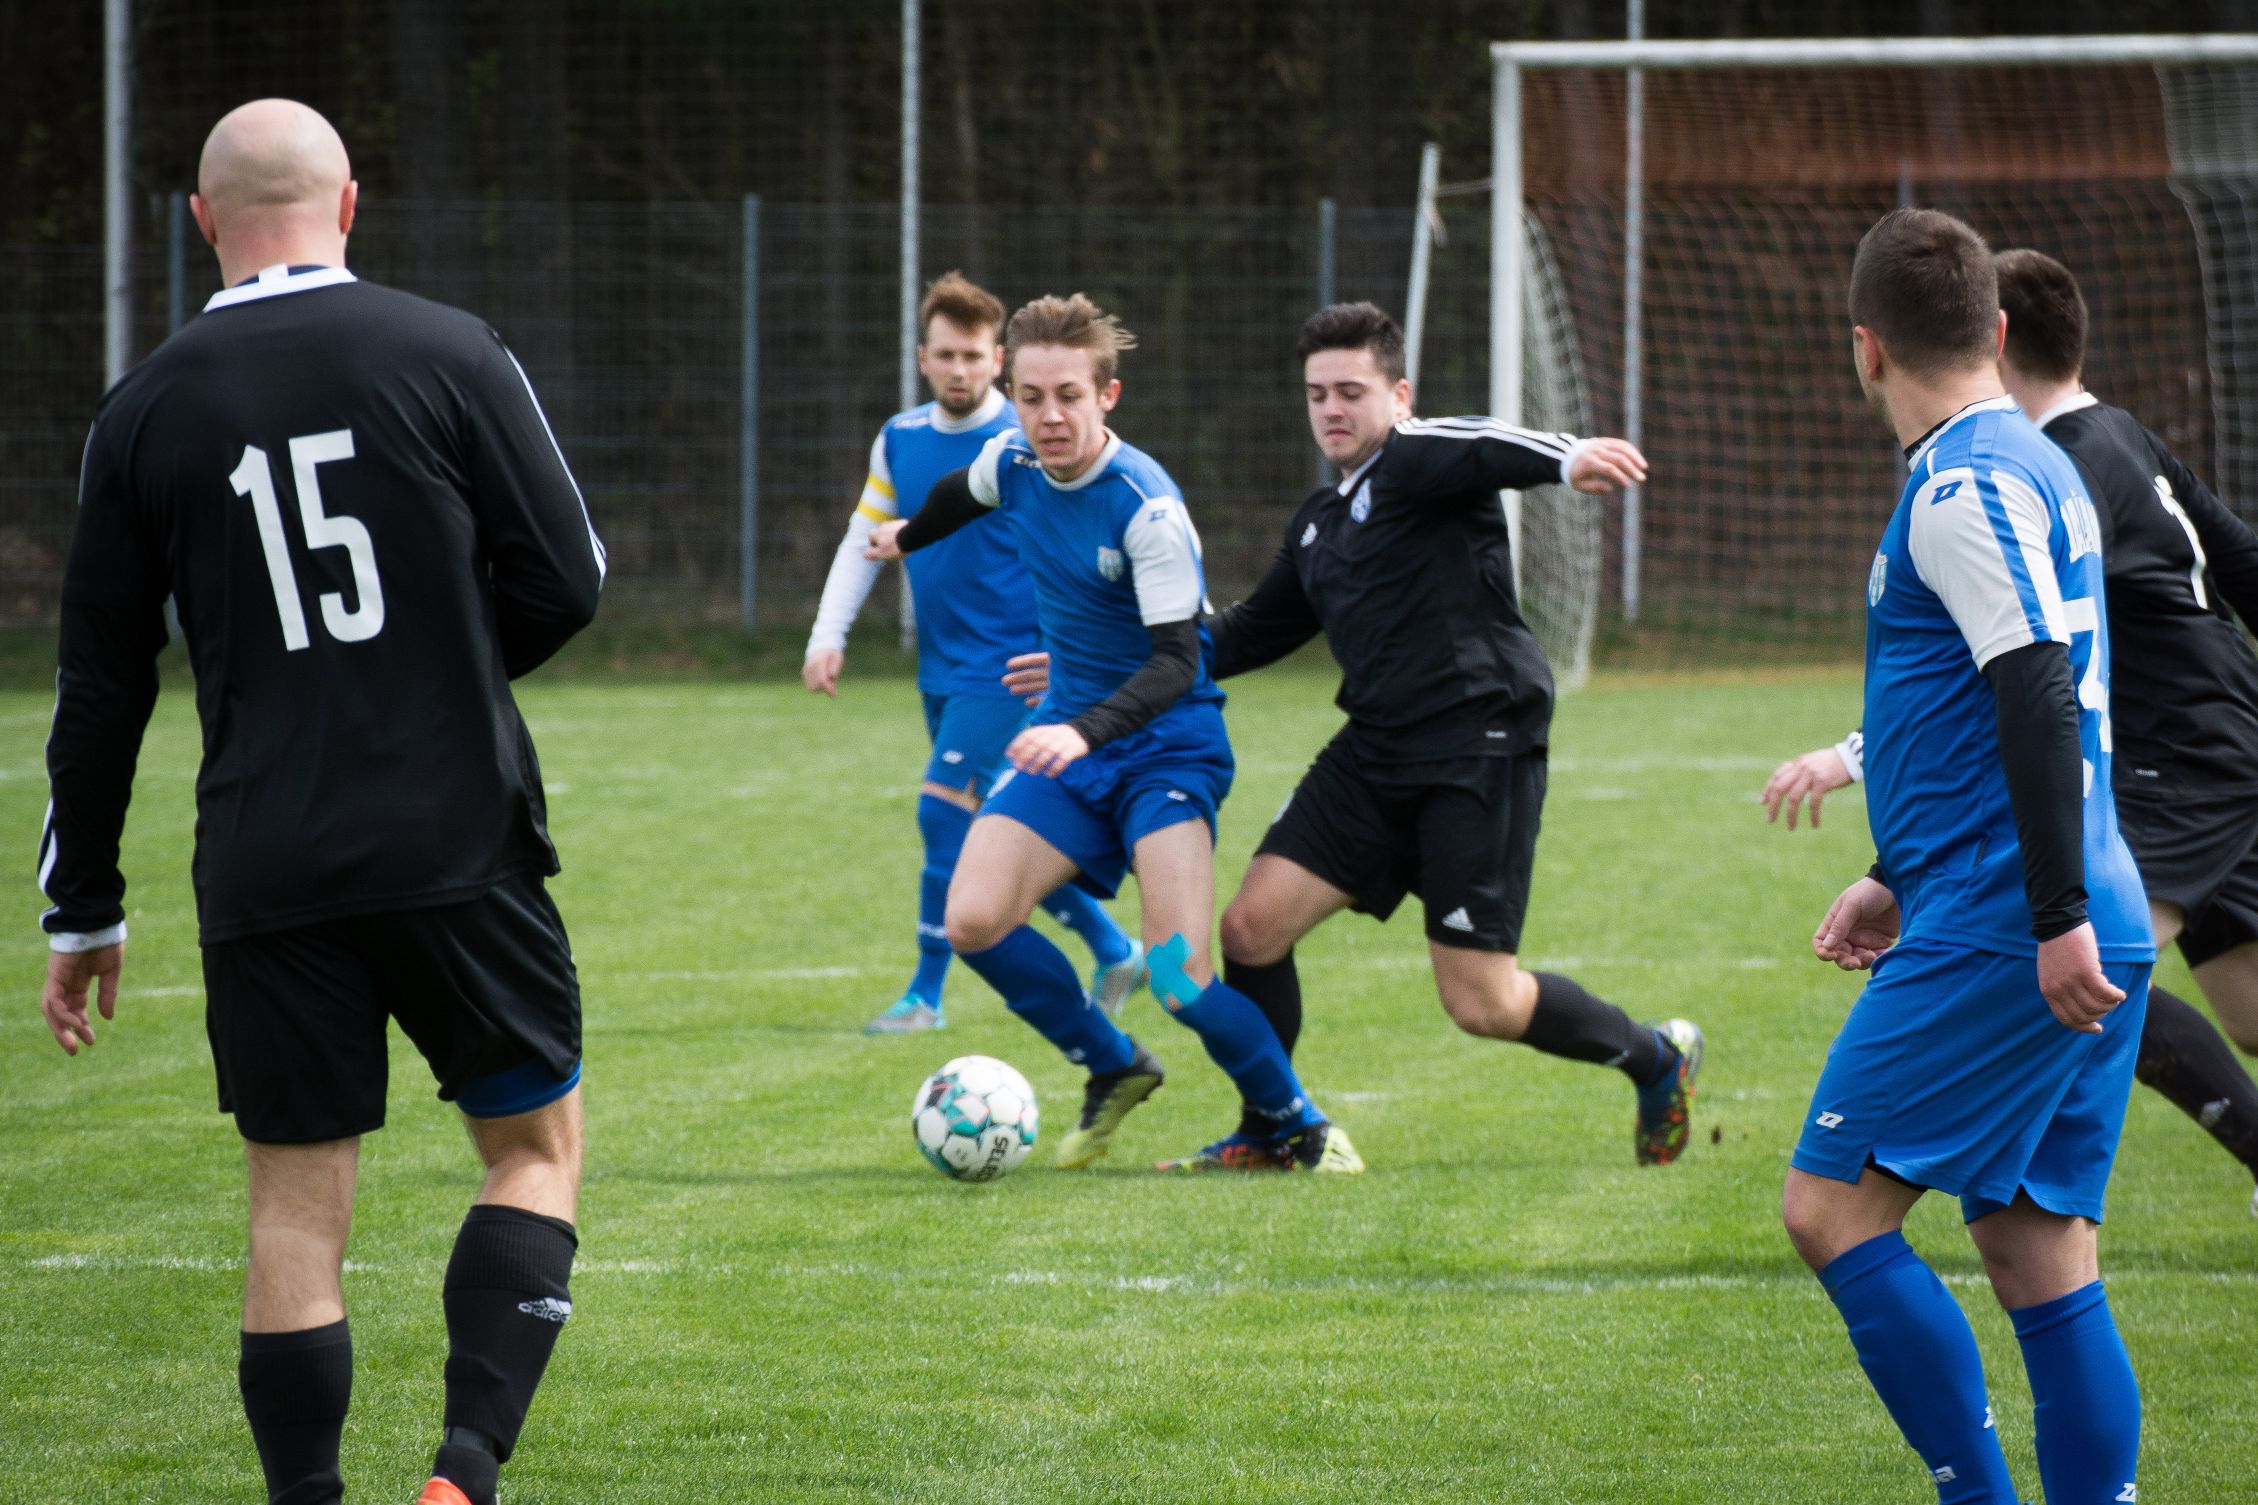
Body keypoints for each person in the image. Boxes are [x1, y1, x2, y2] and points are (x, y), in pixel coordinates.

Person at [37, 100, 604, 1505]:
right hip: (454, 834)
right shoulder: (448, 350)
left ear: (199, 222)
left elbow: (99, 689)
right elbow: (570, 574)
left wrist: (82, 906)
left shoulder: (144, 409)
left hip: (266, 855)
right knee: (532, 1150)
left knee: (295, 1208)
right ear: (349, 204)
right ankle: (461, 1476)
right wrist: (447, 671)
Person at [1006, 303, 1695, 1172]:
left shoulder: (1414, 460)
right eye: (1316, 394)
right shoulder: (1319, 524)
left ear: (1396, 395)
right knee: (1251, 928)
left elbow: (1476, 442)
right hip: (1375, 752)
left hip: (1477, 747)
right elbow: (1249, 630)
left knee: (1480, 1000)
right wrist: (1104, 665)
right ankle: (1273, 1128)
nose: (1331, 408)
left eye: (1351, 392)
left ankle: (1654, 1055)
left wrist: (1566, 456)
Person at [1764, 246, 2258, 1218]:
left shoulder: (2039, 468)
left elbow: (2025, 670)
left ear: (1995, 343)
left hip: (2169, 758)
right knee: (2241, 1011)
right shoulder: (2117, 436)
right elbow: (2239, 564)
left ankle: (2035, 1210)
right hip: (2222, 742)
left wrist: (1859, 766)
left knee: (2083, 954)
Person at [1781, 208, 2149, 1505]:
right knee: (2032, 1245)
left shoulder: (1961, 483)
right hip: (2047, 889)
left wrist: (2042, 912)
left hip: (2018, 911)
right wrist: (1899, 866)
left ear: (1863, 349)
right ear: (1995, 332)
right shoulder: (2031, 460)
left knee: (1828, 1212)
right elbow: (1979, 704)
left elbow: (2037, 691)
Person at [868, 293, 1359, 1172]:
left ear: (1108, 396)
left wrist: (1084, 728)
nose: (1048, 416)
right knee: (973, 917)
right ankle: (1113, 1063)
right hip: (1072, 736)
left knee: (1177, 976)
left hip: (1164, 747)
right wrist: (906, 534)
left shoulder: (1147, 508)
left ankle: (1303, 1125)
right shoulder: (1011, 459)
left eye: (1068, 396)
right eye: (1030, 396)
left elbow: (1178, 663)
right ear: (1011, 396)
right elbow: (956, 492)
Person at [803, 272, 1143, 1034]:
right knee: (1000, 829)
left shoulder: (1026, 442)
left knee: (942, 812)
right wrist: (829, 636)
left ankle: (925, 994)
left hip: (1014, 667)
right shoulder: (901, 437)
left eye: (974, 356)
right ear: (924, 358)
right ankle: (1114, 946)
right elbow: (869, 540)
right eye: (946, 354)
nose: (960, 369)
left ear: (998, 362)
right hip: (943, 669)